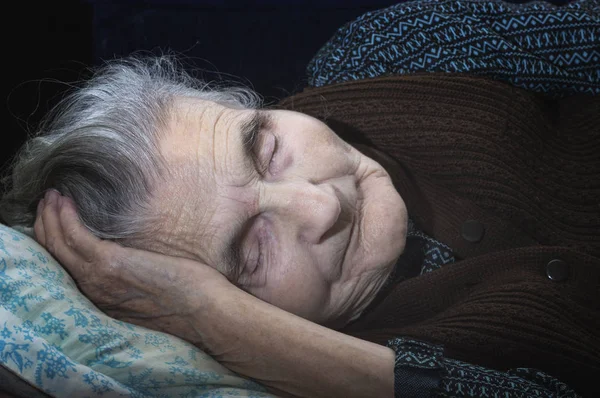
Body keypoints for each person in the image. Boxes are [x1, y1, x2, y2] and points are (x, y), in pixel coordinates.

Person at [2, 0, 599, 397]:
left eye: (266, 148)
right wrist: (215, 321)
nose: (322, 207)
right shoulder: (323, 370)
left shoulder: (377, 55)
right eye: (251, 252)